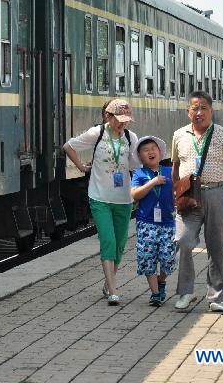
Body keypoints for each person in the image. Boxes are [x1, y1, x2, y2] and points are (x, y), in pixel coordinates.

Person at [172, 91, 223, 313]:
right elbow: (176, 167)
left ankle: (216, 296)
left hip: (218, 193)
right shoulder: (179, 135)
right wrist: (174, 194)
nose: (199, 113)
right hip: (189, 196)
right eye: (194, 108)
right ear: (188, 111)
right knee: (184, 240)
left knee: (216, 247)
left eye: (203, 108)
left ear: (211, 111)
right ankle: (186, 293)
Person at [63, 99, 140, 306]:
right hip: (99, 197)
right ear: (108, 116)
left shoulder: (130, 137)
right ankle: (113, 290)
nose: (123, 123)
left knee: (120, 245)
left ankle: (108, 283)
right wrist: (81, 167)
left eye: (126, 120)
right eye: (120, 119)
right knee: (108, 241)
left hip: (123, 198)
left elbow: (135, 164)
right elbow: (68, 146)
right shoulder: (96, 134)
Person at [130, 136, 176, 307]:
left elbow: (176, 193)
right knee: (147, 258)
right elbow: (134, 195)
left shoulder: (169, 171)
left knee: (168, 258)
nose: (150, 152)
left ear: (160, 152)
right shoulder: (139, 174)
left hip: (167, 222)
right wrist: (152, 182)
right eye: (145, 150)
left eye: (153, 148)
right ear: (140, 157)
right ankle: (155, 294)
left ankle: (161, 280)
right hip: (146, 223)